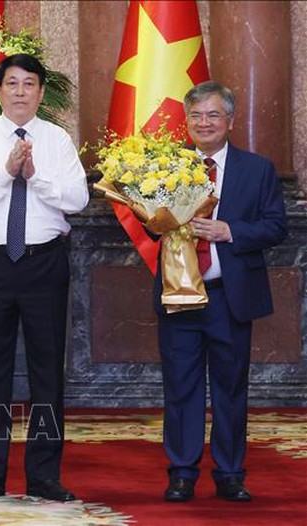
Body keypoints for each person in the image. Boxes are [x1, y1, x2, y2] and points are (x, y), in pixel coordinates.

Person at [0, 53, 88, 502]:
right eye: (12, 83)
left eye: (29, 84)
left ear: (41, 93)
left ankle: (44, 475)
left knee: (47, 370)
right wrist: (6, 173)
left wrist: (34, 176)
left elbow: (77, 199)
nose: (20, 92)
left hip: (44, 263)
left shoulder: (57, 140)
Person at [157, 81, 287, 503]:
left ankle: (230, 473)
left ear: (230, 120)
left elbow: (276, 226)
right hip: (179, 294)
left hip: (230, 296)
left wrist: (230, 231)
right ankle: (182, 473)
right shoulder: (164, 166)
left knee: (231, 388)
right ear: (187, 121)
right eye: (196, 115)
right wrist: (158, 215)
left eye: (213, 115)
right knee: (181, 387)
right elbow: (150, 225)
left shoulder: (257, 169)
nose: (204, 123)